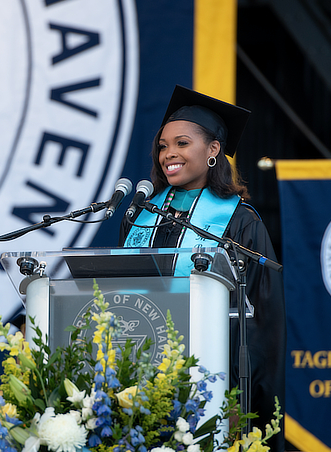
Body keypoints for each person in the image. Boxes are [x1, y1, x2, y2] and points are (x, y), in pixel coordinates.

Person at [119, 86, 286, 451]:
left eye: (182, 143)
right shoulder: (140, 216)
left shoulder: (241, 222)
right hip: (140, 380)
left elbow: (262, 323)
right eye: (163, 146)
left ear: (213, 150)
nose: (169, 154)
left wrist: (242, 399)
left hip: (214, 380)